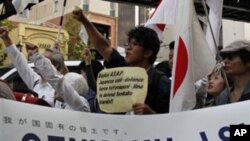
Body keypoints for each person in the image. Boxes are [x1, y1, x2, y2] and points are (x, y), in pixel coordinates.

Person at [72, 8, 171, 114]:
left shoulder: (161, 83)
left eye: (134, 44)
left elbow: (171, 121)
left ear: (147, 53)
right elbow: (104, 47)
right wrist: (84, 20)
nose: (128, 48)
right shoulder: (120, 68)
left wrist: (150, 113)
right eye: (128, 44)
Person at [0, 26, 55, 106]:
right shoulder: (36, 81)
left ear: (55, 65)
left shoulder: (58, 88)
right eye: (40, 57)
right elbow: (19, 61)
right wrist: (6, 38)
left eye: (45, 60)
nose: (39, 61)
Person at [216, 40, 250, 105]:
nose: (225, 62)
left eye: (230, 57)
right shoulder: (222, 97)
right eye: (224, 58)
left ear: (248, 61)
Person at [79, 47, 104, 112]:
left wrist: (88, 62)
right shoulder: (80, 89)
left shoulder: (101, 92)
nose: (80, 75)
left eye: (82, 72)